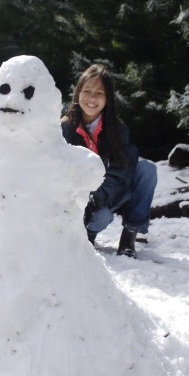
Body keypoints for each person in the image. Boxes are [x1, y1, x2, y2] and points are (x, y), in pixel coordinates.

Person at [61, 64, 157, 258]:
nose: (92, 98)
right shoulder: (63, 129)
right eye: (87, 91)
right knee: (100, 219)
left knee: (146, 170)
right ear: (78, 93)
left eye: (100, 93)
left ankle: (129, 236)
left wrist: (95, 200)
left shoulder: (117, 129)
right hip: (74, 204)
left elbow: (121, 171)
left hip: (106, 196)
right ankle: (83, 236)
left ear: (108, 98)